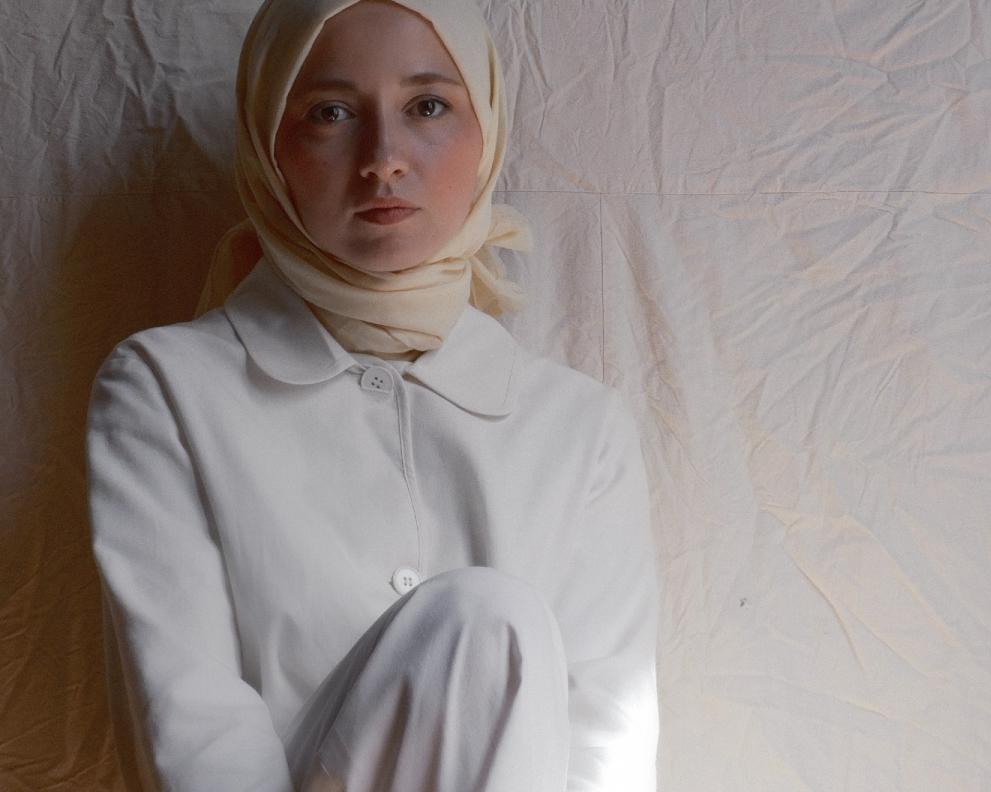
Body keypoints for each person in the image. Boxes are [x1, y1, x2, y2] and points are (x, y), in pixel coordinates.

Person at [85, 1, 659, 789]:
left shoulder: (580, 426)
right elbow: (190, 720)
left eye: (428, 106)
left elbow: (605, 744)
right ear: (268, 146)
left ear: (485, 132)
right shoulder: (165, 388)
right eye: (330, 112)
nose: (384, 158)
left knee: (490, 624)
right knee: (484, 622)